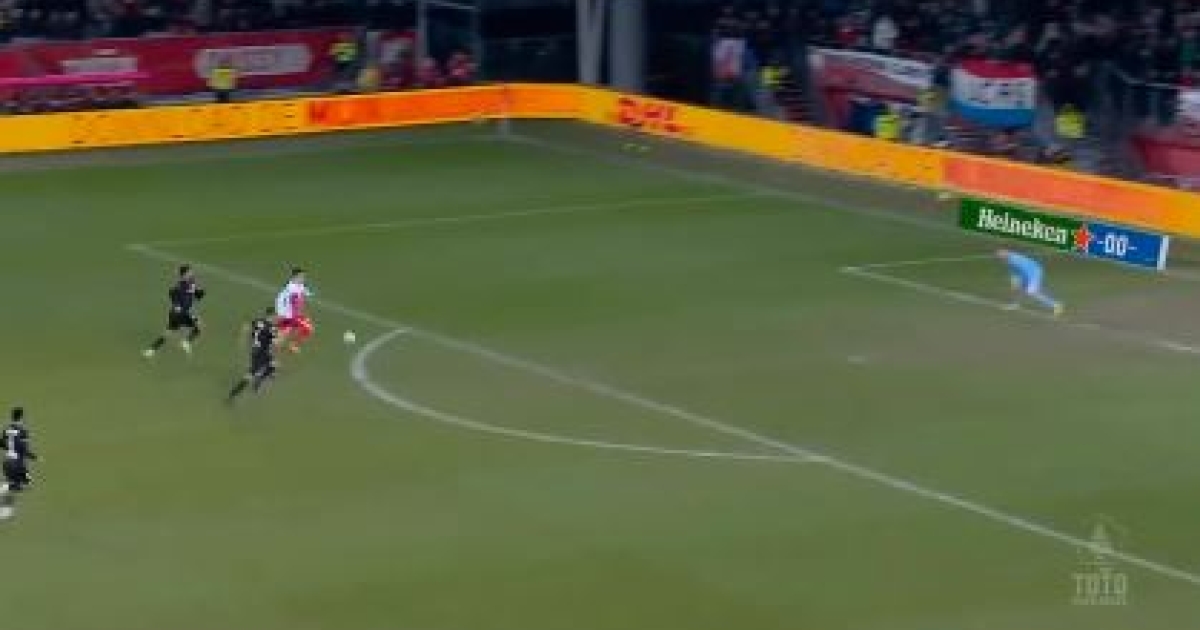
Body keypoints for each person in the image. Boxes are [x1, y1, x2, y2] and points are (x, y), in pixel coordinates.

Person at [144, 264, 205, 358]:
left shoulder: (191, 282)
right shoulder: (179, 286)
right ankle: (186, 342)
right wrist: (178, 306)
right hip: (180, 313)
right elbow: (173, 294)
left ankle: (150, 351)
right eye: (189, 272)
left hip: (178, 313)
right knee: (199, 326)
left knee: (167, 333)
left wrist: (199, 293)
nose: (192, 273)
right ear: (184, 274)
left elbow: (193, 293)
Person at [227, 308, 280, 404]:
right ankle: (232, 395)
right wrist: (281, 346)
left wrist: (242, 338)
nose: (277, 318)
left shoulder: (258, 321)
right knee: (249, 376)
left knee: (273, 365)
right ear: (272, 316)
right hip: (262, 352)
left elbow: (246, 326)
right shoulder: (272, 328)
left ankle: (258, 381)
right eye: (276, 316)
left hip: (255, 350)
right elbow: (275, 343)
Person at [996, 249, 1064, 316]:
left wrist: (1018, 280)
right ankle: (1015, 304)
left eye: (1001, 257)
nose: (1001, 260)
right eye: (1000, 258)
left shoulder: (1014, 260)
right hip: (1026, 274)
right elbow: (1013, 270)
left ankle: (1056, 305)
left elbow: (1023, 270)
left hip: (1034, 273)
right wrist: (1015, 280)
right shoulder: (1008, 260)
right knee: (1019, 289)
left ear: (1005, 255)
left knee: (1031, 292)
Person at [1, 407, 37, 521]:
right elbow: (23, 449)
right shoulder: (23, 431)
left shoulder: (7, 429)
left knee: (16, 485)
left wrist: (10, 449)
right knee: (25, 484)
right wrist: (34, 457)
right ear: (21, 417)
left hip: (7, 462)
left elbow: (1, 443)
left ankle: (6, 512)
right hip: (17, 463)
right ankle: (3, 491)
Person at [274, 267, 314, 353]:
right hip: (288, 314)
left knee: (284, 333)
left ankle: (271, 343)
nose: (303, 278)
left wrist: (307, 293)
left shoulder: (297, 285)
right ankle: (293, 345)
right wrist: (298, 316)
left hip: (285, 312)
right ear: (295, 277)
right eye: (301, 276)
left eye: (304, 276)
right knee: (308, 328)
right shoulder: (292, 288)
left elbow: (304, 292)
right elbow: (295, 303)